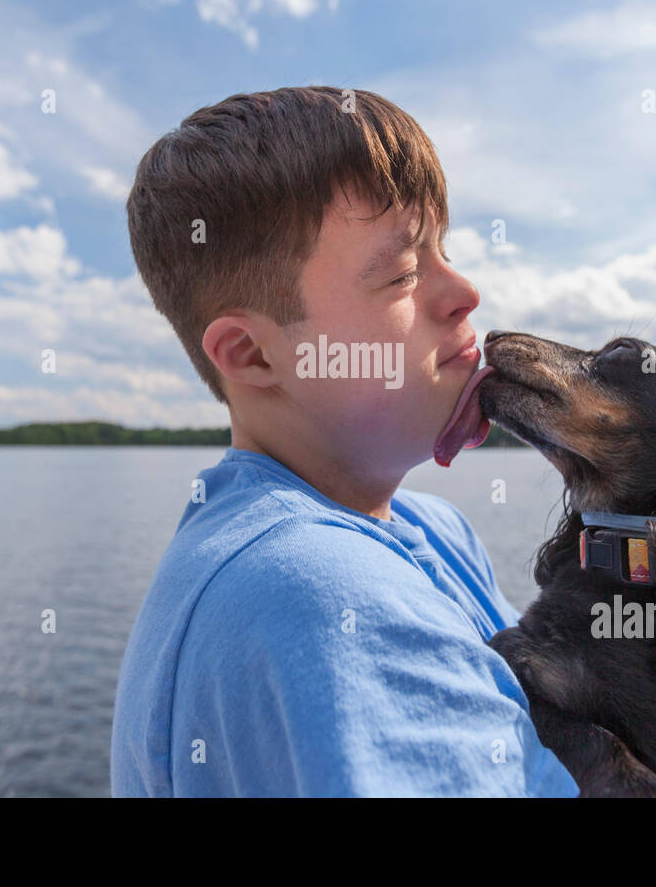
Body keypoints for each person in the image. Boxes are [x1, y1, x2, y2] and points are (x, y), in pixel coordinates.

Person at [110, 85, 579, 796]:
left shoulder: (430, 527)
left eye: (442, 250)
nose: (464, 292)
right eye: (402, 271)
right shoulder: (314, 594)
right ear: (254, 356)